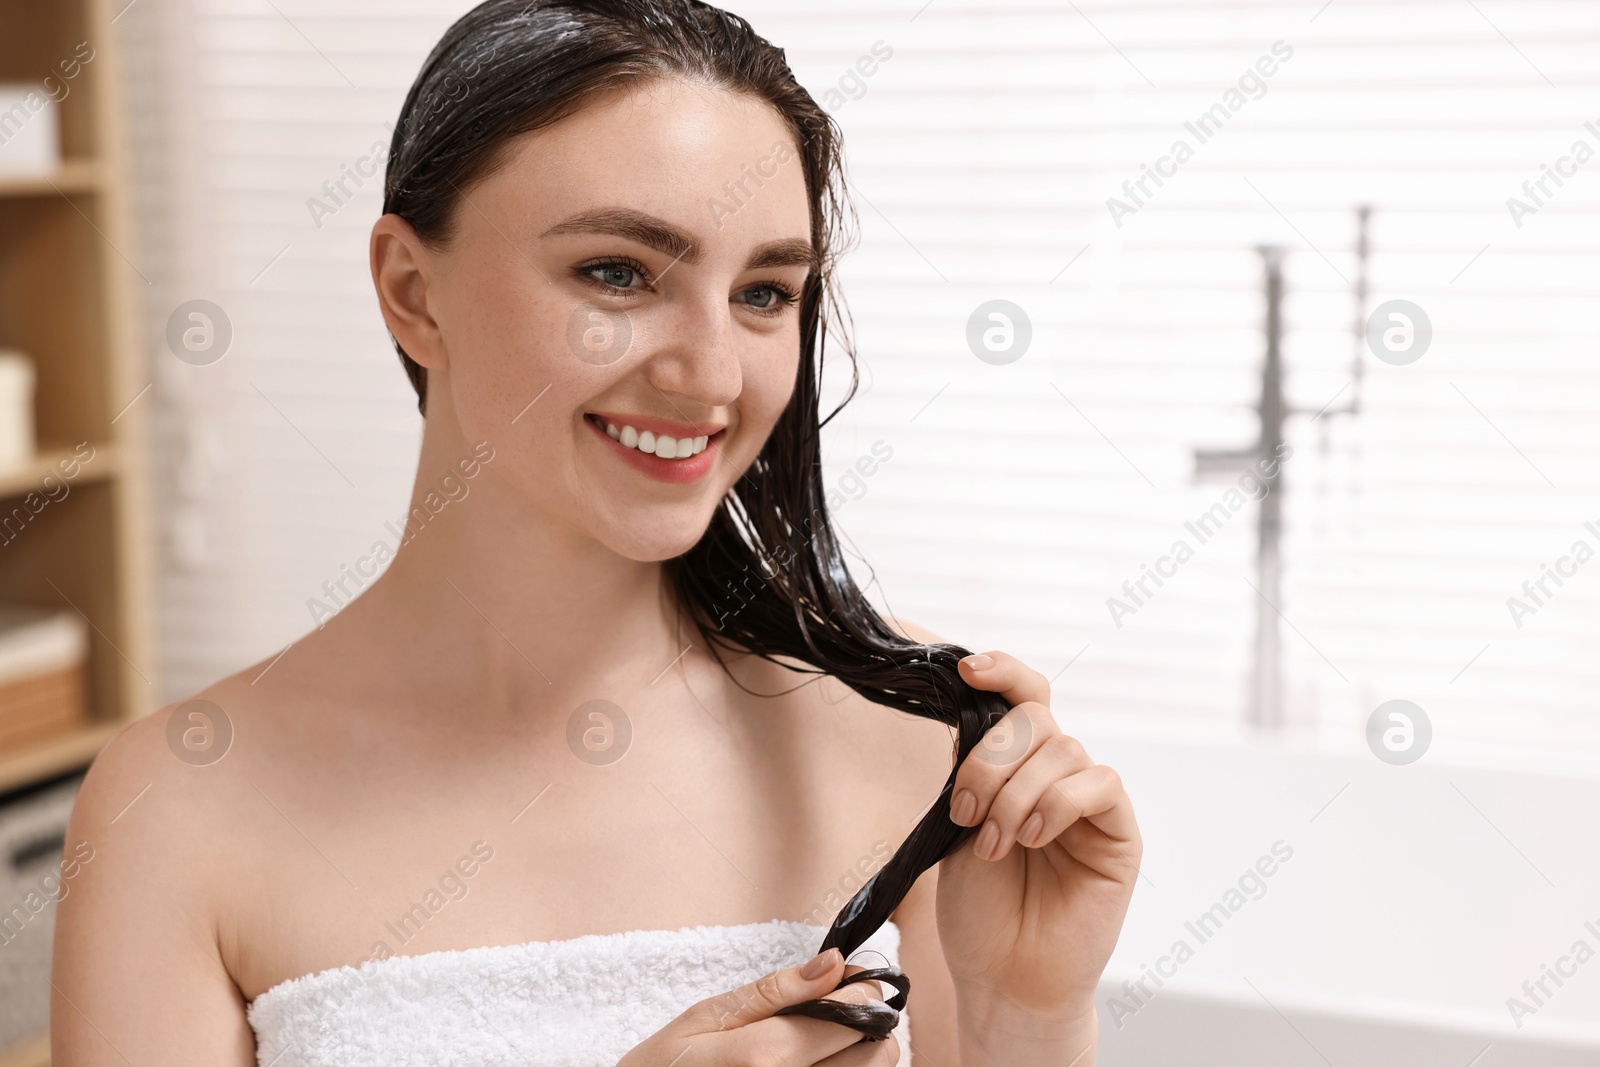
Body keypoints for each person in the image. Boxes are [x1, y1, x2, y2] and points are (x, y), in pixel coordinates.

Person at [52, 2, 1140, 1064]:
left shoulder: (905, 739)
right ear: (411, 290)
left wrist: (1022, 1026)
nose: (711, 372)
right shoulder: (178, 808)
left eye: (764, 292)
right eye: (617, 273)